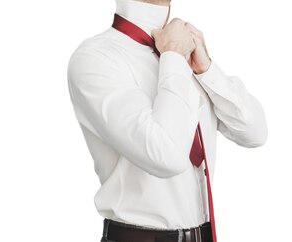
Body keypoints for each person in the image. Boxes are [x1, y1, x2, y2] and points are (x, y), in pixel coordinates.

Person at [67, 0, 268, 241]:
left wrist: (207, 70)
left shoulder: (185, 54)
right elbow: (166, 156)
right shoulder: (96, 58)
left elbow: (255, 133)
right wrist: (172, 55)